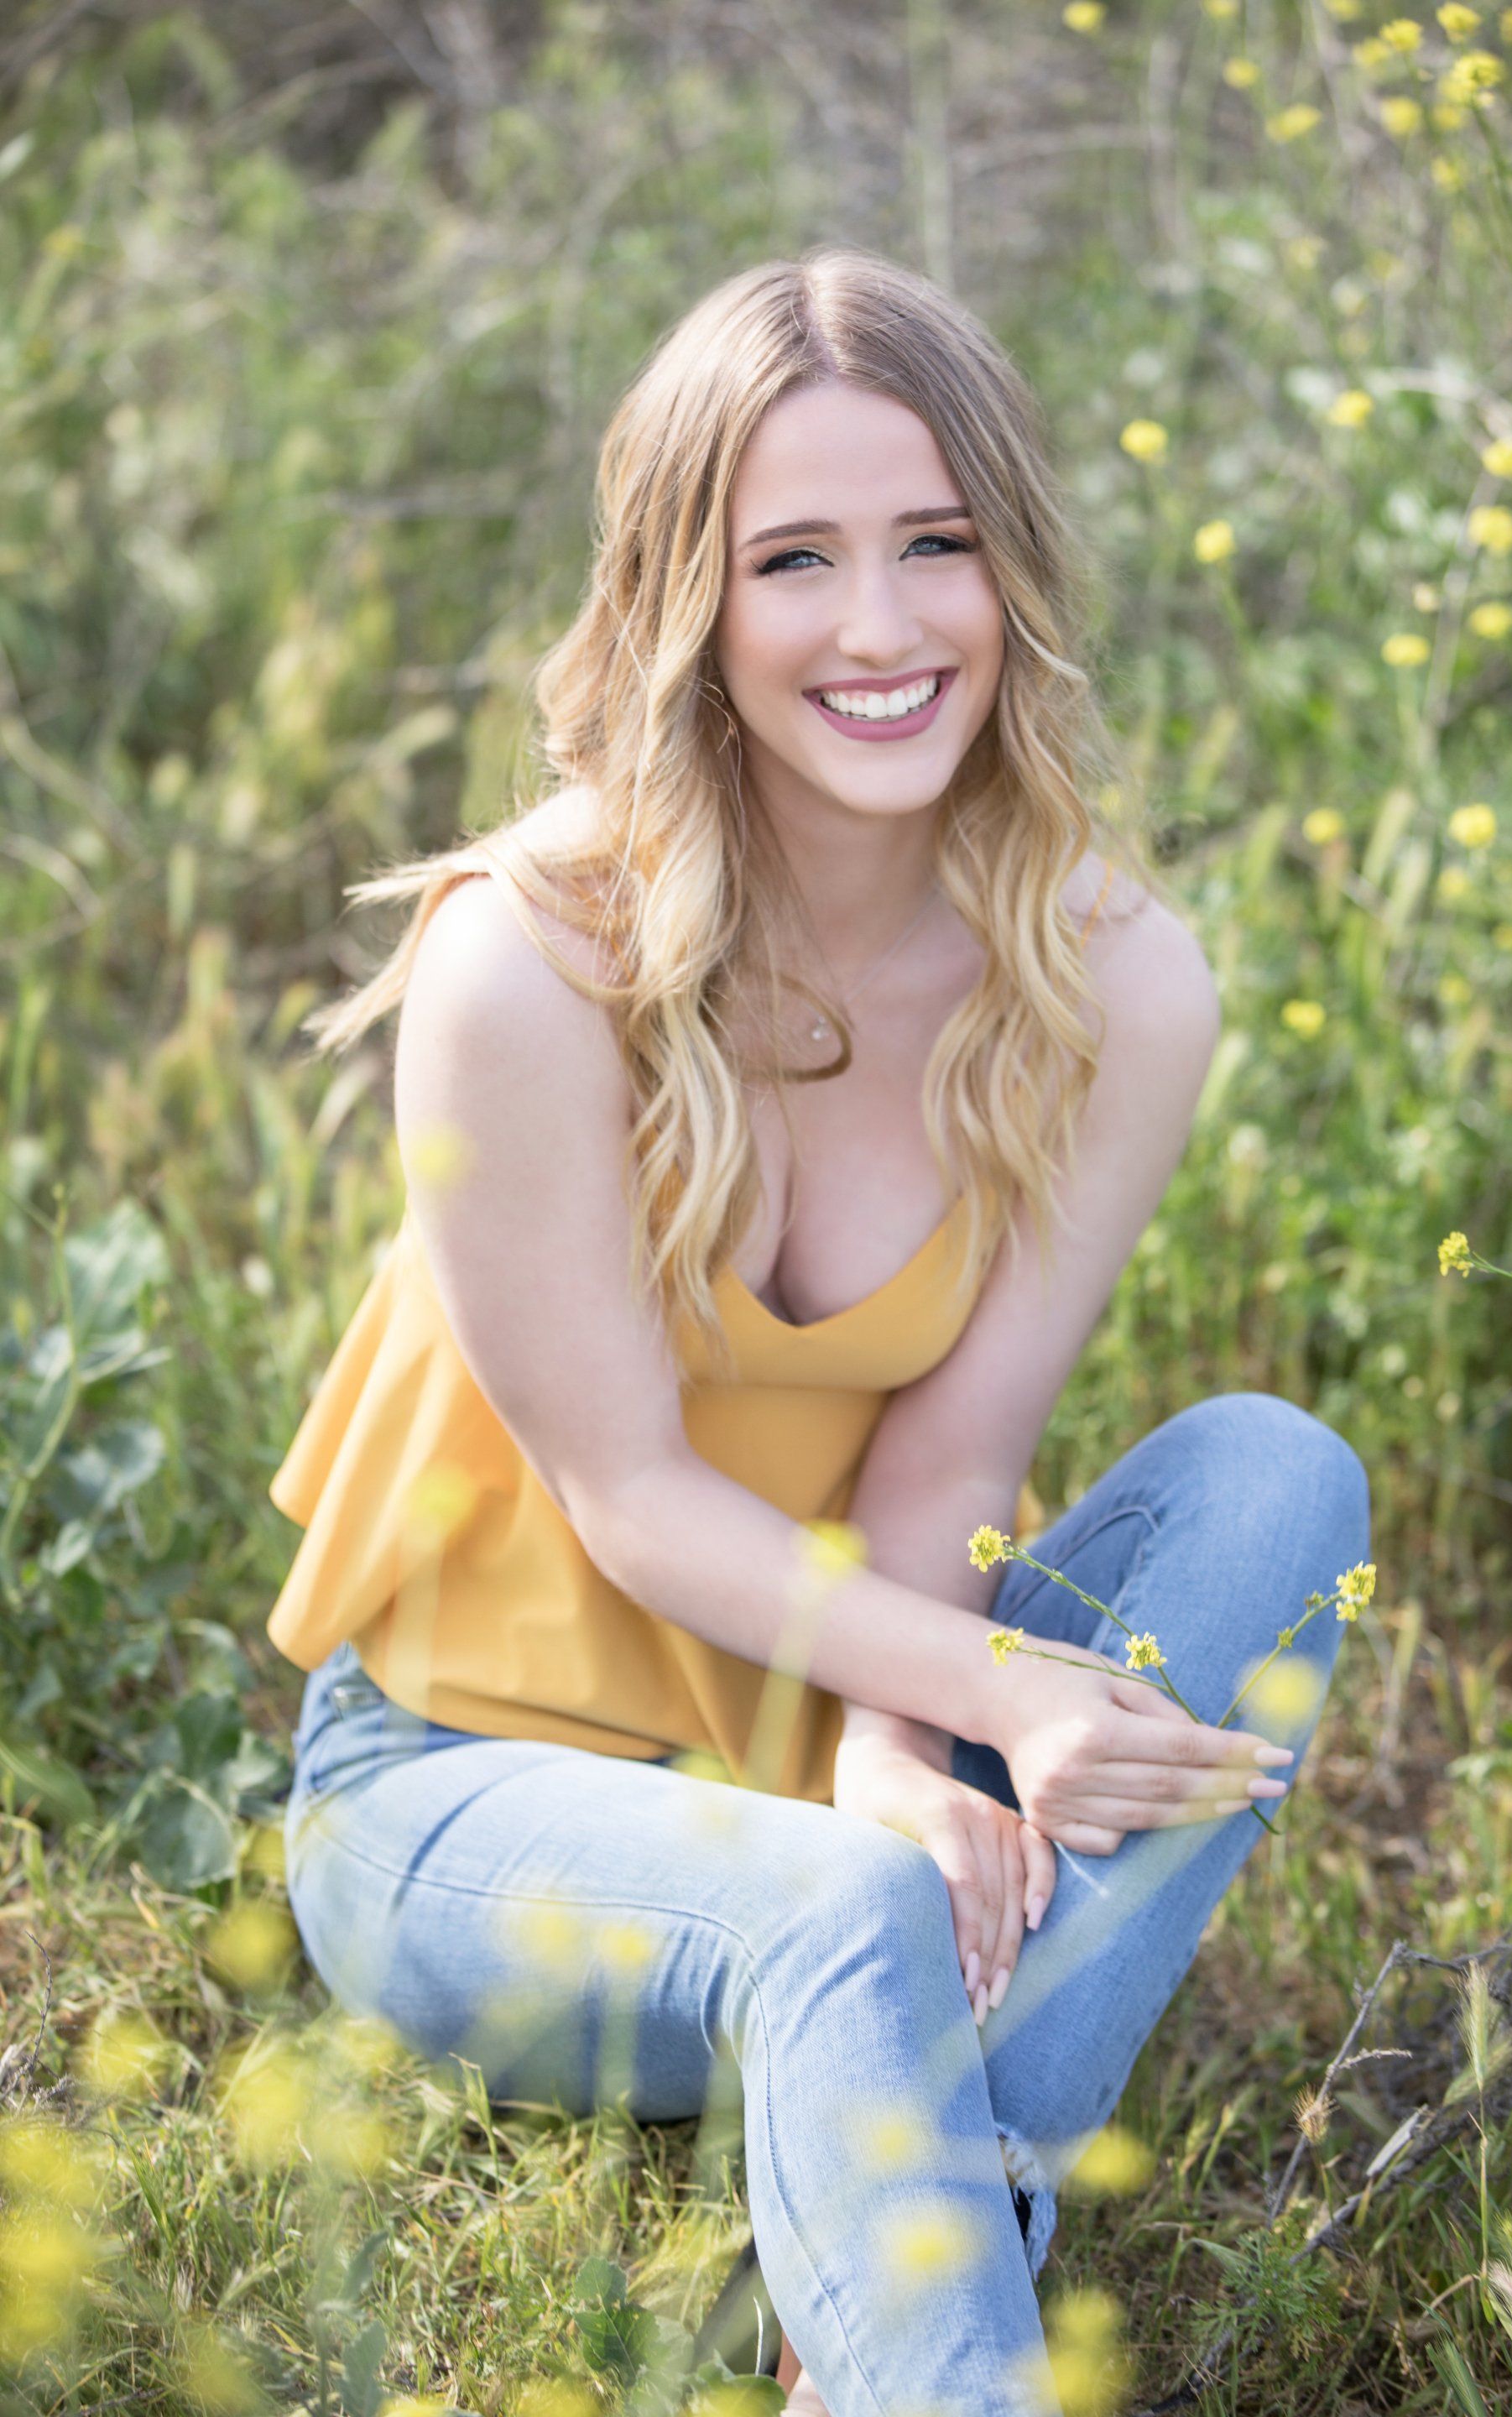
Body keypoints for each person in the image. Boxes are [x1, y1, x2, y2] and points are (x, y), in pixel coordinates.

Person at [269, 244, 1370, 2417]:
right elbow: (635, 1497)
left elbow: (950, 1469)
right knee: (836, 1916)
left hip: (825, 1743)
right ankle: (947, 2233)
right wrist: (962, 1718)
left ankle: (887, 2173)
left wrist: (889, 1742)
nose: (880, 628)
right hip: (465, 1799)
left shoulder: (1116, 983)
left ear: (1012, 570)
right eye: (797, 559)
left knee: (1277, 1482)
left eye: (935, 544)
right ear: (694, 600)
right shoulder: (540, 963)